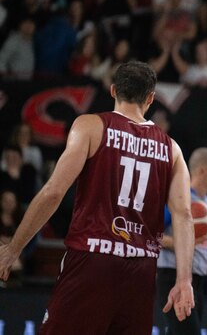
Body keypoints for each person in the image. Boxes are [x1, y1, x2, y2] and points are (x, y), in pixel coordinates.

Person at [0, 61, 195, 334]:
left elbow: (54, 191)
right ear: (151, 98)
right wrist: (184, 279)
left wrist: (14, 248)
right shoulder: (171, 149)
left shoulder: (91, 126)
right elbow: (184, 215)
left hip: (93, 259)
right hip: (141, 269)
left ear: (113, 90)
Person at [157, 147, 207, 334]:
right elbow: (153, 235)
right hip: (172, 276)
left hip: (199, 281)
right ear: (202, 170)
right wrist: (184, 243)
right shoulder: (179, 197)